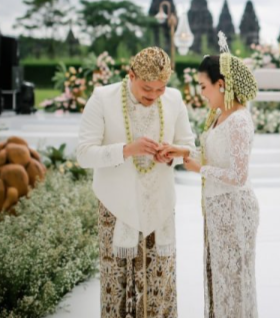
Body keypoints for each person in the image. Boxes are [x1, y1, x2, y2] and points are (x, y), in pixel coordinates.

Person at [76, 47, 195, 318]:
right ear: (130, 75)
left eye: (160, 89)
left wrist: (172, 153)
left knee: (159, 285)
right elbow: (83, 154)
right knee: (116, 286)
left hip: (160, 207)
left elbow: (188, 147)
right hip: (116, 208)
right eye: (146, 89)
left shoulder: (175, 99)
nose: (153, 96)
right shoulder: (102, 98)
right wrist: (127, 150)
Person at [163, 32, 260, 317]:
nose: (201, 92)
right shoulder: (219, 115)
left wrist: (198, 168)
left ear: (222, 84)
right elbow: (212, 156)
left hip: (235, 208)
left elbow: (238, 176)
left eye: (204, 86)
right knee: (218, 277)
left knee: (233, 281)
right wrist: (180, 153)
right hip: (217, 208)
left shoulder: (239, 120)